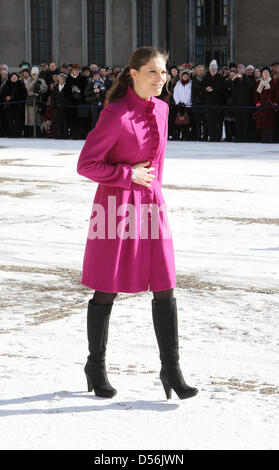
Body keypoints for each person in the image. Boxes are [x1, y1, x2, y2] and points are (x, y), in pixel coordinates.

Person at [76, 46, 198, 401]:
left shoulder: (162, 108)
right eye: (153, 73)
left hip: (150, 204)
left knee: (164, 283)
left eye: (164, 73)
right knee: (107, 285)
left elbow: (158, 163)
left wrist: (155, 193)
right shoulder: (115, 113)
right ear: (134, 74)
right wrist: (129, 175)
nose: (161, 79)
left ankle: (171, 369)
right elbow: (86, 165)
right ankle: (95, 365)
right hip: (115, 205)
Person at [201, 59, 225, 142]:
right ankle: (211, 136)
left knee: (218, 121)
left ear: (217, 69)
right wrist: (205, 89)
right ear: (209, 69)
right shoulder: (205, 77)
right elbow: (202, 88)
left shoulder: (220, 78)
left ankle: (218, 137)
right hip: (208, 103)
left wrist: (213, 89)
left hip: (218, 103)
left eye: (214, 68)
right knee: (210, 121)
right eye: (212, 68)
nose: (213, 69)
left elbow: (223, 89)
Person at [254, 66, 279, 143]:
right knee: (262, 124)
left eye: (267, 72)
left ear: (269, 74)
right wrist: (257, 102)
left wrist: (275, 102)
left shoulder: (273, 82)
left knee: (270, 124)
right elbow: (256, 95)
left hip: (270, 107)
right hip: (262, 107)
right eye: (264, 72)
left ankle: (270, 139)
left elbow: (277, 94)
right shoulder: (259, 83)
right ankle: (264, 139)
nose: (265, 74)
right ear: (262, 74)